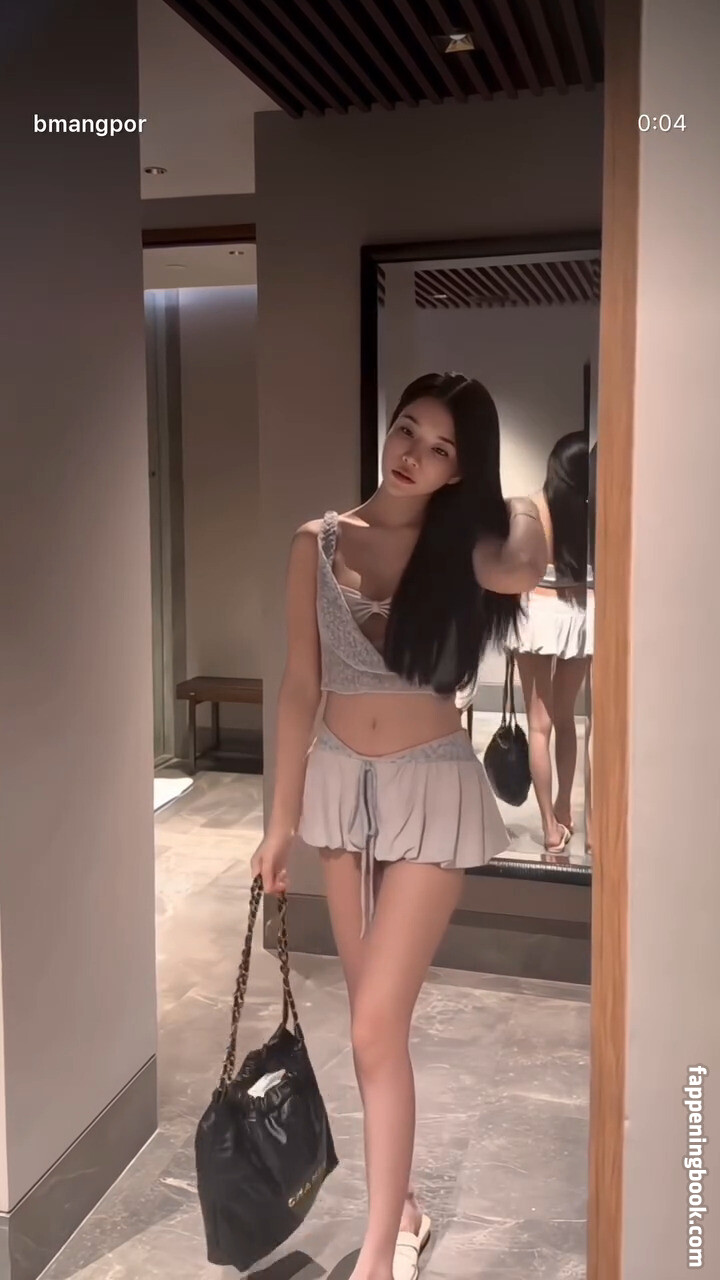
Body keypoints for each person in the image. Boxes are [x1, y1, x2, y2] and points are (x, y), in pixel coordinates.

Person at [251, 372, 547, 1280]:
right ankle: (402, 1205)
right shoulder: (318, 542)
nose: (413, 454)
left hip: (430, 788)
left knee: (376, 1026)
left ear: (462, 469)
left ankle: (379, 1256)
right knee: (370, 1028)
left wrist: (524, 500)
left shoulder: (468, 550)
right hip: (341, 788)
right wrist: (278, 824)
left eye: (441, 448)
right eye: (407, 430)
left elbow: (528, 562)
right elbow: (300, 686)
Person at [508, 432, 594, 855]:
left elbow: (513, 564)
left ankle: (548, 826)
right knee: (566, 718)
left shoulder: (528, 507)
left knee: (538, 725)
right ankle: (564, 807)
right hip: (578, 612)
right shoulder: (590, 513)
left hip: (536, 614)